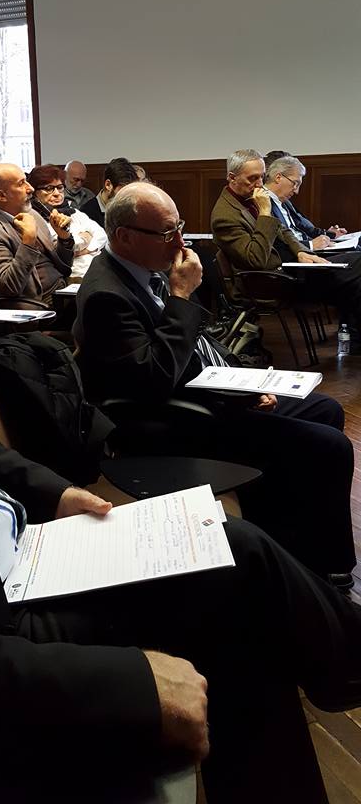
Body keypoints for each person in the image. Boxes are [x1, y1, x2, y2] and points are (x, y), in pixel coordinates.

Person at [0, 142, 361, 804]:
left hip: (31, 552)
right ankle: (347, 665)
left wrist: (55, 491)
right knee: (238, 577)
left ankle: (343, 668)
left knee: (229, 557)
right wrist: (127, 683)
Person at [73, 181, 356, 587]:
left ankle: (290, 530)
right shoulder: (106, 296)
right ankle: (328, 567)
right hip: (174, 419)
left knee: (324, 409)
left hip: (207, 390)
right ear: (125, 236)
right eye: (167, 233)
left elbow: (200, 342)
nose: (180, 241)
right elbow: (152, 381)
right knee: (330, 446)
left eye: (179, 227)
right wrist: (181, 297)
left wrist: (246, 382)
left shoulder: (143, 269)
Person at [211, 149, 361, 345]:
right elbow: (255, 260)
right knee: (357, 267)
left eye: (262, 177)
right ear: (232, 178)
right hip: (272, 282)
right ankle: (354, 339)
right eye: (253, 178)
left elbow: (283, 230)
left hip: (289, 270)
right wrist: (265, 213)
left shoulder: (250, 197)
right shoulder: (224, 216)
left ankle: (354, 338)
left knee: (357, 268)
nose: (260, 184)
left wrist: (301, 251)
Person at [0, 163, 74, 305]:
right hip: (35, 304)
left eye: (26, 181)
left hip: (62, 291)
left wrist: (64, 238)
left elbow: (64, 265)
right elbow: (9, 286)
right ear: (1, 195)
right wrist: (28, 242)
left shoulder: (31, 213)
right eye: (21, 184)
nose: (30, 188)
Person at [28, 165, 106, 278]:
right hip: (72, 277)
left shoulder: (74, 212)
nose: (56, 193)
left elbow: (101, 235)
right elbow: (57, 249)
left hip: (96, 270)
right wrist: (86, 237)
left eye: (60, 187)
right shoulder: (35, 218)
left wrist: (84, 250)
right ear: (35, 192)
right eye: (49, 188)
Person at [264, 151, 348, 239]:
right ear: (278, 177)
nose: (296, 191)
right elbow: (279, 242)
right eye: (295, 183)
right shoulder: (263, 203)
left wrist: (329, 235)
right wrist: (311, 244)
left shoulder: (283, 201)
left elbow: (304, 229)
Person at [80, 156, 138, 227]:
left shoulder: (129, 209)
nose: (127, 196)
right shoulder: (86, 213)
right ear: (108, 185)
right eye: (123, 191)